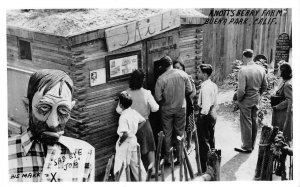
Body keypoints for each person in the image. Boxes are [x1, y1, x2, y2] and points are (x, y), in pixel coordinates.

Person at [8, 69, 95, 182]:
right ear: (27, 107)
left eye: (63, 111)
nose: (53, 123)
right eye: (44, 108)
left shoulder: (85, 153)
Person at [117, 69, 159, 175]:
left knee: (133, 148)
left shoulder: (125, 93)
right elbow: (155, 108)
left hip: (129, 125)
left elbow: (118, 110)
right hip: (144, 123)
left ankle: (133, 172)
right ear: (142, 80)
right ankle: (153, 169)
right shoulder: (146, 93)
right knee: (150, 146)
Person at [154, 56, 193, 165]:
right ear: (171, 63)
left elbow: (158, 98)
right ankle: (180, 157)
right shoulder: (183, 74)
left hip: (167, 110)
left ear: (162, 66)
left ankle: (168, 158)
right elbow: (189, 90)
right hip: (181, 108)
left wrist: (165, 102)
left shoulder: (161, 79)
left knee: (167, 133)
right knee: (180, 132)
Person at [234, 49, 268, 153]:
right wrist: (259, 95)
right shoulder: (261, 69)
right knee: (254, 120)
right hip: (256, 99)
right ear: (252, 57)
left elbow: (241, 90)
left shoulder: (243, 70)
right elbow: (265, 86)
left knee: (246, 122)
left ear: (244, 57)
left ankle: (247, 146)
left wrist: (238, 100)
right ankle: (252, 145)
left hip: (246, 100)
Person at [114, 91, 147, 181]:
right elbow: (143, 120)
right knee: (136, 163)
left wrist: (120, 142)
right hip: (133, 140)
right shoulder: (133, 112)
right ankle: (144, 181)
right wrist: (133, 131)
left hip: (125, 141)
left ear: (120, 104)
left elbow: (124, 133)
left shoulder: (123, 117)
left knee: (120, 165)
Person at [196, 64, 218, 172]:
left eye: (199, 72)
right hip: (213, 113)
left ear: (204, 74)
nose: (197, 73)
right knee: (211, 139)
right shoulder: (213, 85)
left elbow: (205, 106)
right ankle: (213, 164)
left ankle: (204, 168)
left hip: (206, 114)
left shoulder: (205, 88)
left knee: (203, 142)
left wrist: (201, 116)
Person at [173, 60, 196, 153]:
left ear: (183, 68)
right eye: (174, 67)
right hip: (178, 105)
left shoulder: (188, 77)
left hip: (187, 104)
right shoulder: (173, 78)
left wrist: (183, 97)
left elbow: (193, 93)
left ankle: (189, 144)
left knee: (189, 125)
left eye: (178, 67)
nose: (176, 69)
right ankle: (179, 146)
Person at [271, 62, 293, 142]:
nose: (278, 72)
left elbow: (289, 100)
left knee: (281, 136)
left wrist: (277, 106)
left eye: (279, 70)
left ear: (283, 72)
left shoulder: (287, 84)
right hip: (280, 113)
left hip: (283, 114)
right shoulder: (283, 81)